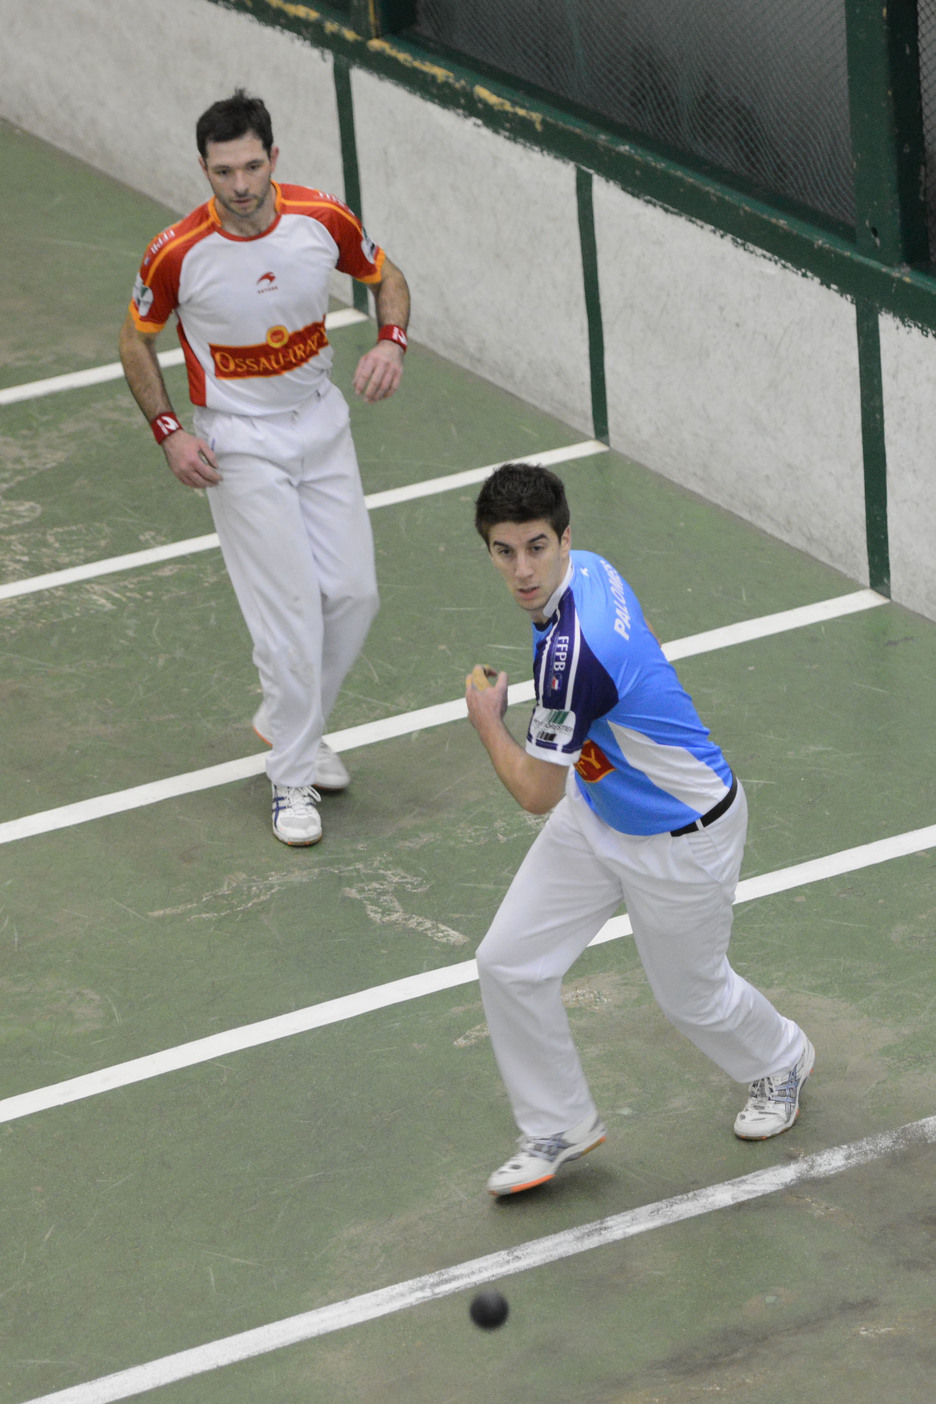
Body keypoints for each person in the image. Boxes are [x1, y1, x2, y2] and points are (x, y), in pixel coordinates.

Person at [465, 463, 814, 1196]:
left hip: (683, 833)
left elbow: (533, 791)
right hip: (600, 808)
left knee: (694, 998)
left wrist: (488, 723)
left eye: (536, 547)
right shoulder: (589, 570)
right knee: (507, 962)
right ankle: (555, 1124)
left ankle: (781, 1060)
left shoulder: (576, 656)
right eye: (504, 551)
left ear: (565, 539)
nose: (523, 569)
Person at [119, 89, 410, 846]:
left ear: (273, 159)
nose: (240, 185)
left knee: (353, 594)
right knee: (287, 612)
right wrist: (170, 433)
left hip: (321, 425)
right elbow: (134, 341)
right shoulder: (178, 251)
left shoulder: (321, 219)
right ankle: (290, 781)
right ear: (204, 170)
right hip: (238, 443)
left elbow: (387, 277)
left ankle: (286, 724)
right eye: (224, 171)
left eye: (252, 166)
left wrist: (391, 341)